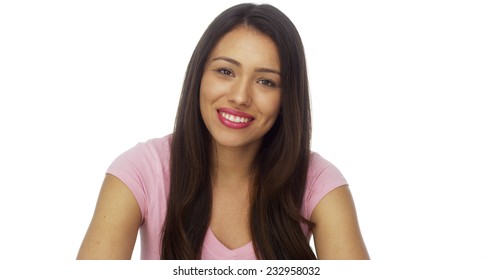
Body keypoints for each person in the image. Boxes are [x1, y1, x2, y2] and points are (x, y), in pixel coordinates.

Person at [77, 3, 369, 260]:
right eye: (225, 71)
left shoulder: (319, 182)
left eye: (266, 81)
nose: (240, 97)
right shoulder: (140, 170)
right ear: (198, 76)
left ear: (287, 98)